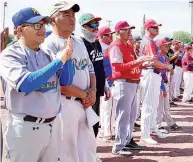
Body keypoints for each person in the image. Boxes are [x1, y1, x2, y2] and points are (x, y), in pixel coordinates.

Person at [0, 7, 74, 162]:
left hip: (52, 127)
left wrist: (67, 58)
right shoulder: (10, 54)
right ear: (19, 30)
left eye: (43, 25)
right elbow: (26, 84)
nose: (41, 29)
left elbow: (65, 81)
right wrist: (59, 61)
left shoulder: (47, 54)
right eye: (36, 25)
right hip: (25, 128)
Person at [42, 1, 99, 162]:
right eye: (66, 14)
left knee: (88, 151)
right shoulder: (49, 45)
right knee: (68, 153)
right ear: (52, 19)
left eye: (73, 15)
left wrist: (93, 91)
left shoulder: (78, 41)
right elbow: (58, 82)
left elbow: (90, 69)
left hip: (84, 103)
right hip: (64, 105)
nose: (72, 18)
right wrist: (85, 95)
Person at [107, 21, 152, 156]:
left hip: (133, 82)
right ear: (118, 32)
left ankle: (127, 140)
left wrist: (144, 63)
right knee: (123, 115)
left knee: (132, 115)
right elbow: (117, 67)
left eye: (130, 29)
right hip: (123, 82)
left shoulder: (129, 45)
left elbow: (133, 65)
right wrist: (138, 62)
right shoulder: (115, 46)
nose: (129, 31)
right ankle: (118, 146)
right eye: (126, 30)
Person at [139, 19, 173, 145]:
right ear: (148, 29)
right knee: (148, 105)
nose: (157, 29)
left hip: (153, 74)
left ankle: (152, 129)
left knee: (153, 105)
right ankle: (145, 134)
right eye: (154, 27)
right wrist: (166, 66)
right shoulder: (148, 42)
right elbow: (152, 62)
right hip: (149, 72)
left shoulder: (151, 41)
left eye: (157, 27)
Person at [78, 13, 111, 137]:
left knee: (94, 124)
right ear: (83, 26)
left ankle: (92, 153)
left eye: (97, 24)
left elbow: (100, 65)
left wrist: (105, 85)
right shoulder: (79, 43)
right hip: (85, 90)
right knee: (85, 125)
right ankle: (85, 155)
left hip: (97, 88)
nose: (96, 28)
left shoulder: (96, 43)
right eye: (92, 24)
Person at [155, 38, 183, 131]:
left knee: (165, 105)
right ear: (160, 46)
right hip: (159, 82)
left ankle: (169, 122)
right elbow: (158, 72)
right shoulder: (158, 56)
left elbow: (168, 67)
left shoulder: (164, 56)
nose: (168, 47)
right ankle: (157, 125)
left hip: (164, 80)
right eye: (166, 45)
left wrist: (170, 71)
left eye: (168, 45)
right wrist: (163, 87)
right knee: (160, 106)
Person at [98, 26, 116, 141]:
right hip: (108, 82)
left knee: (105, 109)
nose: (111, 36)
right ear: (101, 36)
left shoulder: (106, 47)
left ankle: (105, 130)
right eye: (108, 35)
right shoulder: (103, 49)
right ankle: (108, 132)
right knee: (109, 108)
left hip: (105, 81)